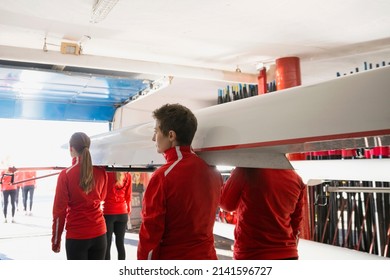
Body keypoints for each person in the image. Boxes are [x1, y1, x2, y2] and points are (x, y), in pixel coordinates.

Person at [137, 103, 223, 260]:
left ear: (171, 135)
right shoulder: (213, 171)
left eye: (156, 132)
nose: (153, 138)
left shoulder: (162, 176)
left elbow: (150, 234)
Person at [220, 167, 307, 260]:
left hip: (253, 253)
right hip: (288, 253)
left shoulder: (246, 168)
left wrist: (230, 178)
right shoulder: (296, 178)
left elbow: (226, 204)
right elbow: (296, 223)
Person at [51, 132, 108, 260]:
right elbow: (102, 197)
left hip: (77, 237)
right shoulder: (101, 172)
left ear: (71, 149)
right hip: (100, 234)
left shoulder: (65, 175)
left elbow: (59, 212)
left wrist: (56, 240)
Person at [103, 171, 132, 260]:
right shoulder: (127, 175)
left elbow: (101, 194)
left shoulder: (106, 173)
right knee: (120, 244)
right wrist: (128, 212)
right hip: (123, 213)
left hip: (108, 213)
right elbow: (128, 196)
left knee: (107, 245)